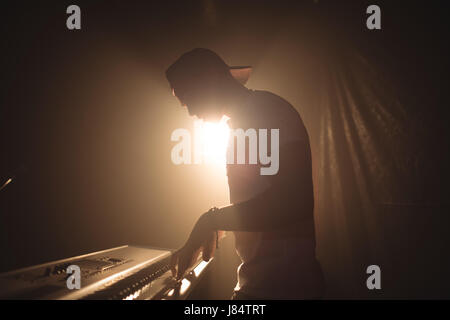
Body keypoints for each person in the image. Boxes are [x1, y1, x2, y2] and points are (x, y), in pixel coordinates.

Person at [166, 48, 325, 299]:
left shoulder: (268, 112)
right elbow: (261, 202)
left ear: (208, 83)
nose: (190, 112)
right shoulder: (241, 124)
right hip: (264, 284)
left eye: (189, 98)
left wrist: (211, 220)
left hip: (284, 287)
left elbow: (294, 202)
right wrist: (220, 228)